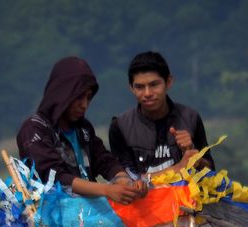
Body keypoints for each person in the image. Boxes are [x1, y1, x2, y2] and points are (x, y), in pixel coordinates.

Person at [17, 57, 144, 204]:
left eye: (88, 97)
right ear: (61, 93)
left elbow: (104, 160)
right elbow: (55, 177)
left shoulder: (83, 128)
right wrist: (106, 190)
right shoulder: (34, 129)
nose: (84, 105)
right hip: (53, 217)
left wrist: (126, 181)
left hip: (88, 213)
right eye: (78, 97)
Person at [109, 51, 215, 178]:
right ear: (131, 88)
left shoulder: (190, 117)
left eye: (154, 85)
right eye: (139, 87)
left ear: (168, 82)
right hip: (145, 198)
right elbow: (127, 182)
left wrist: (195, 158)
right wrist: (179, 167)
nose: (147, 93)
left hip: (187, 197)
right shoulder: (120, 126)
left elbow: (211, 173)